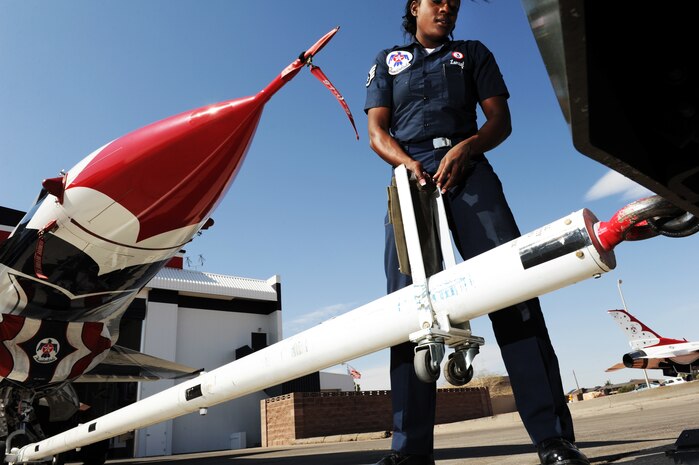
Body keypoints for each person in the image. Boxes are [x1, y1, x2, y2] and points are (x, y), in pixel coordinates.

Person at [364, 1, 590, 465]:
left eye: (455, 1)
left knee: (513, 290)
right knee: (408, 309)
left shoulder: (473, 53)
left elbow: (499, 121)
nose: (447, 6)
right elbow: (376, 131)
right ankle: (409, 452)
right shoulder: (388, 61)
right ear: (415, 7)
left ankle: (553, 439)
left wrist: (468, 146)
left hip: (468, 171)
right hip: (410, 181)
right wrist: (407, 166)